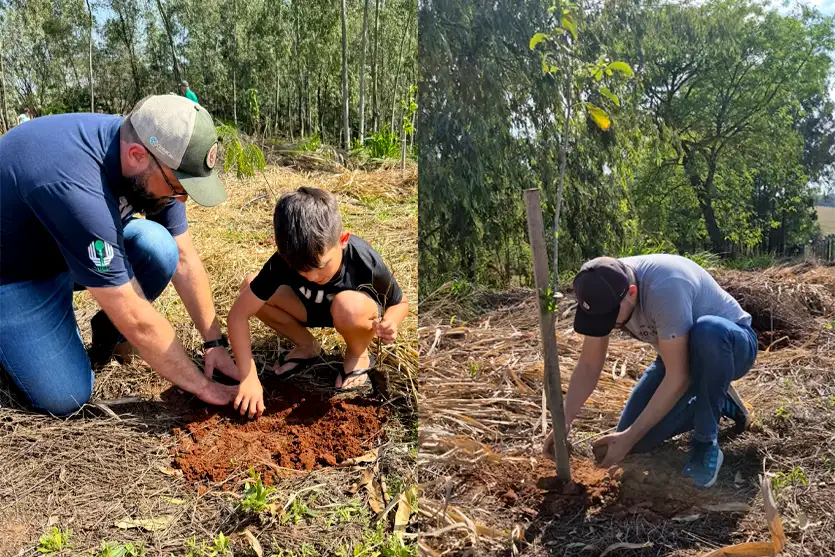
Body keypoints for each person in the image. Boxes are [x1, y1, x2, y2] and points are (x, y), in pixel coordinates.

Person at [0, 94, 240, 416]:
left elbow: (184, 257)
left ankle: (105, 335)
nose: (180, 200)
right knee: (67, 395)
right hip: (17, 276)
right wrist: (204, 387)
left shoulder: (152, 160)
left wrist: (214, 343)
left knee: (160, 247)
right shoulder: (79, 185)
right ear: (137, 155)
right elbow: (134, 314)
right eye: (177, 187)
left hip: (63, 248)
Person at [543, 254, 758, 488]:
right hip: (677, 356)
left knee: (708, 331)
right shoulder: (600, 286)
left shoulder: (665, 287)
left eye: (609, 318)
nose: (606, 325)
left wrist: (628, 437)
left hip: (730, 346)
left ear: (632, 293)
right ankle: (720, 400)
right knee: (634, 440)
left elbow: (679, 376)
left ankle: (705, 444)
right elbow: (588, 365)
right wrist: (563, 420)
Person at [227, 187, 409, 418]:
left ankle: (357, 354)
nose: (311, 277)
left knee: (347, 307)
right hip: (307, 308)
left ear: (342, 240)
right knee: (249, 288)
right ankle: (306, 346)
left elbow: (400, 302)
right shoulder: (283, 260)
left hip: (352, 314)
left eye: (320, 266)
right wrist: (248, 376)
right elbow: (238, 315)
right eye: (300, 270)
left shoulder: (364, 259)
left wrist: (391, 321)